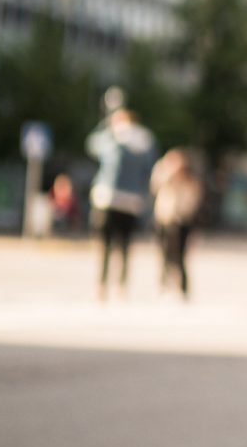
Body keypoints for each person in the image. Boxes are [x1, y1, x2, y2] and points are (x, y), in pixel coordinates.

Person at [86, 107, 158, 301]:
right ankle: (120, 286)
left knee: (106, 246)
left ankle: (105, 285)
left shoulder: (112, 137)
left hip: (109, 198)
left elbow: (92, 145)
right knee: (123, 246)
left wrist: (106, 123)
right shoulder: (145, 140)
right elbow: (149, 169)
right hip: (131, 201)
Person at [149, 148, 203, 298]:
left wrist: (184, 214)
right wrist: (168, 172)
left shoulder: (190, 181)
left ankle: (182, 287)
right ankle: (164, 283)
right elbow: (154, 186)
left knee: (180, 255)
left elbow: (193, 200)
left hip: (182, 221)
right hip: (164, 219)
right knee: (163, 252)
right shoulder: (164, 176)